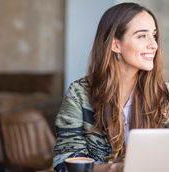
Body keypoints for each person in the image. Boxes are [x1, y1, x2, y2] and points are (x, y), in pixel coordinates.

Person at [53, 2, 169, 172]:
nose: (154, 45)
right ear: (115, 45)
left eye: (154, 35)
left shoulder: (164, 94)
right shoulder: (79, 94)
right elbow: (65, 164)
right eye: (142, 36)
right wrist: (115, 168)